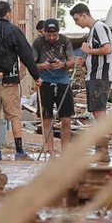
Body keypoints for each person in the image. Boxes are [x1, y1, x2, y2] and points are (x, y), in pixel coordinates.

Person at [0, 0, 41, 159]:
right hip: (9, 80)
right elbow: (26, 54)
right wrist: (36, 76)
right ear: (7, 14)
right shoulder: (13, 30)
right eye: (10, 13)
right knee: (14, 115)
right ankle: (19, 151)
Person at [71, 2, 112, 163]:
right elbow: (99, 52)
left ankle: (103, 151)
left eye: (77, 19)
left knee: (99, 113)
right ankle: (100, 150)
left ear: (84, 15)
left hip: (100, 76)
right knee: (97, 112)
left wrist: (89, 51)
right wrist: (86, 60)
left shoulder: (99, 27)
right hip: (94, 75)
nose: (77, 23)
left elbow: (107, 49)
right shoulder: (93, 30)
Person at [33, 19, 75, 154]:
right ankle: (51, 152)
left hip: (63, 81)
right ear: (44, 32)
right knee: (47, 120)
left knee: (66, 119)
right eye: (48, 35)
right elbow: (31, 64)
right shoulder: (38, 43)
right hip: (45, 82)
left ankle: (65, 153)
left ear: (58, 32)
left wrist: (63, 65)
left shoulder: (65, 41)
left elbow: (72, 62)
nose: (51, 38)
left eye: (54, 35)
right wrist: (43, 66)